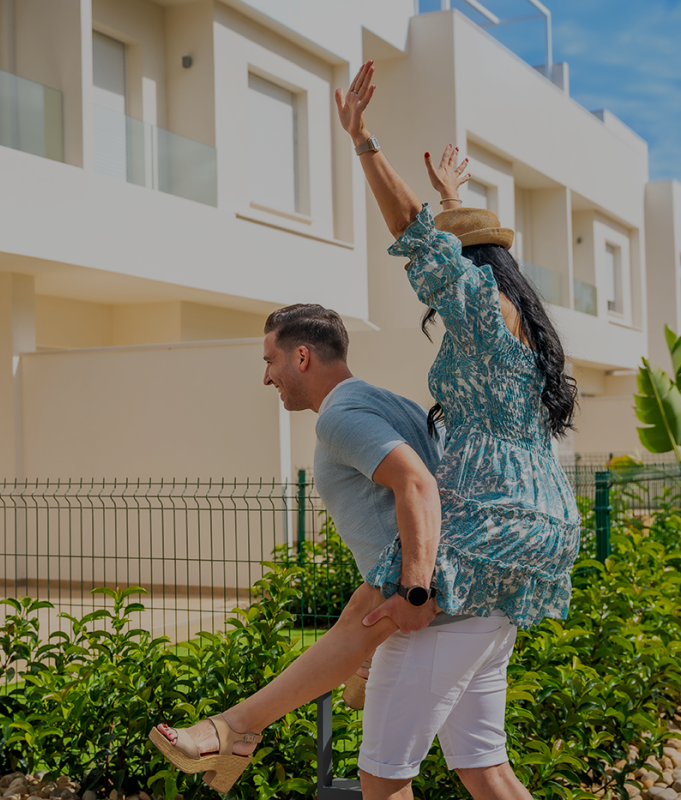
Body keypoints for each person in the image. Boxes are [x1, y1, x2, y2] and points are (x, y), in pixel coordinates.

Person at [150, 60, 580, 800]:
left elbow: (414, 235)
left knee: (384, 631)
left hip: (495, 523)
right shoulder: (521, 334)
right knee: (479, 757)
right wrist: (457, 199)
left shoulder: (478, 309)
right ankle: (252, 720)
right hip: (543, 524)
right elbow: (453, 239)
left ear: (471, 267)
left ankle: (237, 727)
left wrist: (363, 141)